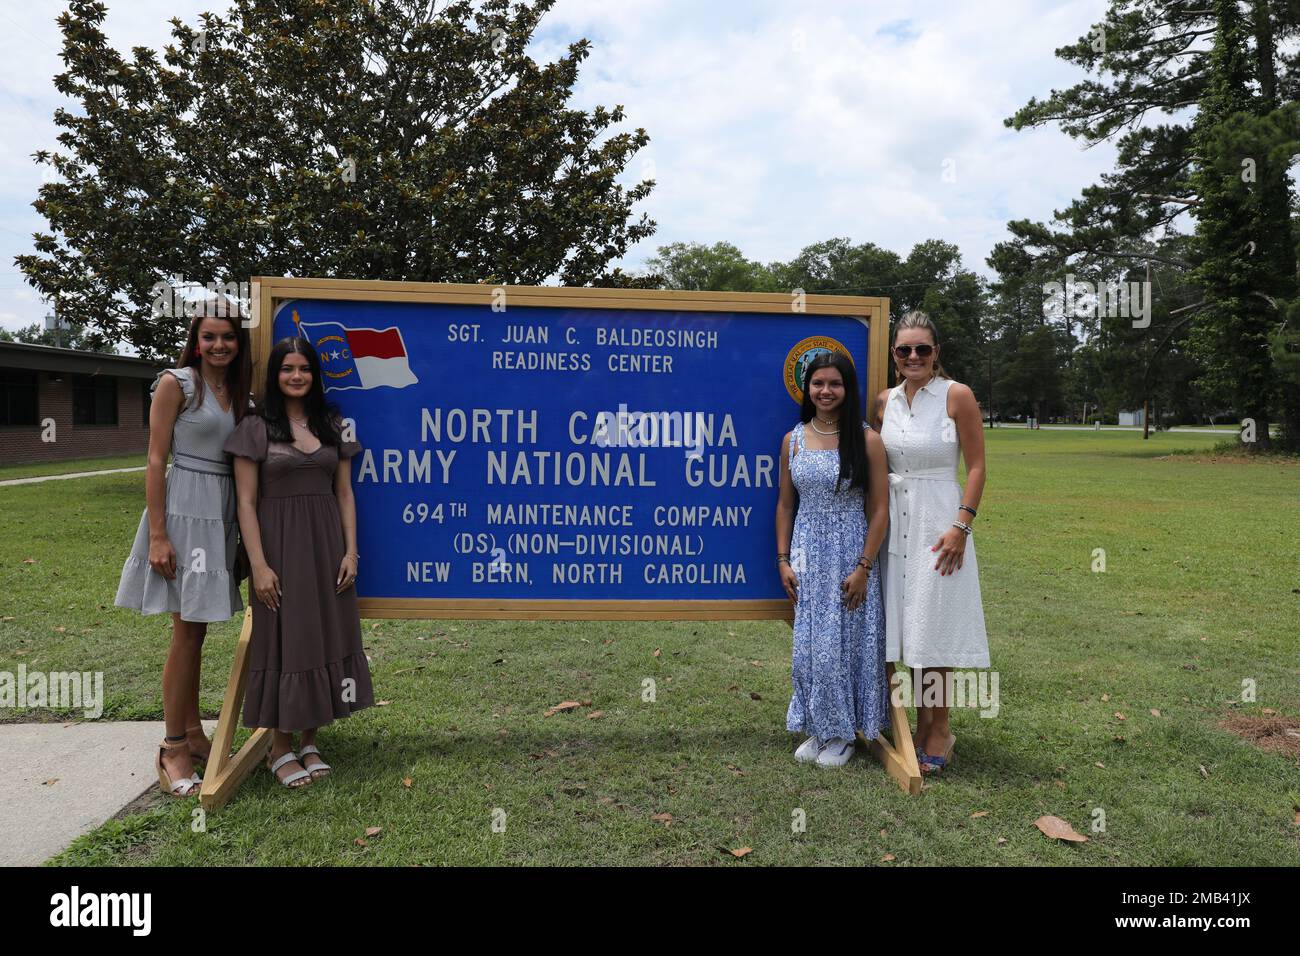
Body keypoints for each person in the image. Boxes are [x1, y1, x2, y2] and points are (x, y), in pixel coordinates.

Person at [224, 337, 374, 789]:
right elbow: (246, 503)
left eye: (304, 368)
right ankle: (279, 747)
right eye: (287, 368)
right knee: (284, 641)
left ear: (314, 374)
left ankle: (310, 740)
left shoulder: (333, 423)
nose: (296, 375)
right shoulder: (256, 426)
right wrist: (260, 564)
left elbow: (344, 493)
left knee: (323, 637)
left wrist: (350, 552)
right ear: (275, 374)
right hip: (279, 550)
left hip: (327, 547)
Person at [115, 307, 252, 798]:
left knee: (198, 630)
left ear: (239, 343)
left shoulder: (238, 392)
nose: (219, 346)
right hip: (182, 513)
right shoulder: (177, 383)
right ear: (195, 341)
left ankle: (194, 733)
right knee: (185, 632)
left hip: (220, 515)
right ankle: (172, 745)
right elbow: (154, 459)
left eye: (228, 338)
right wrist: (158, 533)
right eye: (209, 337)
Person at [874, 311, 989, 775]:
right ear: (894, 355)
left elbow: (978, 466)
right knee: (907, 626)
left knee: (934, 626)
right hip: (893, 523)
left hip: (939, 523)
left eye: (923, 348)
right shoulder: (884, 402)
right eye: (905, 350)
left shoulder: (956, 395)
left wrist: (961, 526)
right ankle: (914, 726)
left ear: (936, 351)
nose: (914, 356)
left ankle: (938, 726)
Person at [776, 351, 891, 767]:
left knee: (844, 644)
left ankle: (844, 733)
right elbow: (786, 506)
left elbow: (879, 509)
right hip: (807, 551)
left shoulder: (867, 440)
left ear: (847, 389)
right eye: (818, 383)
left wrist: (863, 567)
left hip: (850, 552)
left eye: (835, 384)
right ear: (807, 388)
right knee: (809, 646)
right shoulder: (793, 439)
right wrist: (783, 559)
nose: (826, 391)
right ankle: (817, 724)